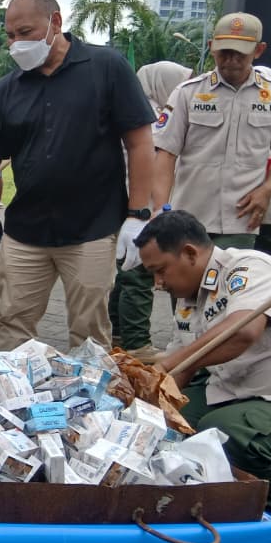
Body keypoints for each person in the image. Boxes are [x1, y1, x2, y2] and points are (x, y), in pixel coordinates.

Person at [0, 0, 155, 350]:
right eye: (11, 36)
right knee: (13, 326)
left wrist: (138, 215)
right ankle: (14, 402)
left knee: (89, 333)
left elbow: (139, 143)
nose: (16, 44)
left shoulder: (107, 68)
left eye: (25, 33)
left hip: (92, 227)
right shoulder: (7, 90)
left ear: (55, 22)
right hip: (26, 230)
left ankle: (91, 405)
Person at [138, 210, 271, 536]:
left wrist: (169, 365)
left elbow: (243, 331)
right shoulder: (188, 300)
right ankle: (228, 486)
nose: (158, 284)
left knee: (221, 433)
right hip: (245, 393)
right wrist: (146, 413)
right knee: (172, 424)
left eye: (160, 271)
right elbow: (179, 373)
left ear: (189, 253)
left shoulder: (249, 268)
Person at [151, 14, 271, 249]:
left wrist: (267, 190)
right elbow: (166, 155)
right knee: (186, 285)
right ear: (211, 48)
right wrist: (161, 209)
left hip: (241, 221)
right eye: (224, 51)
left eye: (240, 53)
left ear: (259, 50)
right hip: (189, 218)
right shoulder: (188, 93)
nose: (231, 60)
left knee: (230, 284)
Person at [109, 61, 192, 360]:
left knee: (127, 270)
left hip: (125, 200)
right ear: (163, 82)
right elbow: (153, 161)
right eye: (182, 79)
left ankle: (119, 332)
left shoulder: (133, 105)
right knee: (140, 274)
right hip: (140, 203)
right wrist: (157, 207)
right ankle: (136, 343)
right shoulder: (152, 114)